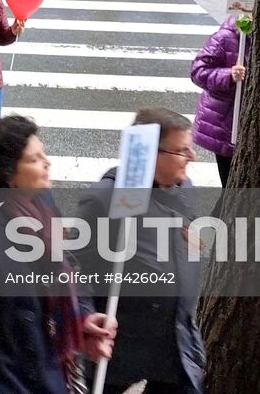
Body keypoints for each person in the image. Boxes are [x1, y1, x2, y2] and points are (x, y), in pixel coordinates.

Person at [0, 116, 117, 394]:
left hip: (47, 368)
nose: (47, 163)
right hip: (0, 378)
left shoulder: (42, 202)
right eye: (34, 159)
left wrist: (84, 319)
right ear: (9, 175)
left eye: (43, 154)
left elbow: (66, 267)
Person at [73, 108, 204, 394]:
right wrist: (85, 319)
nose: (192, 157)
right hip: (121, 343)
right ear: (152, 154)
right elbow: (73, 264)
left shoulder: (182, 187)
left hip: (175, 340)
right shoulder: (106, 198)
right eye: (182, 151)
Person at [189, 14, 247, 185]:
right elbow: (198, 72)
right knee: (231, 187)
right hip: (226, 126)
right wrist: (229, 75)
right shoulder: (225, 38)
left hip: (249, 125)